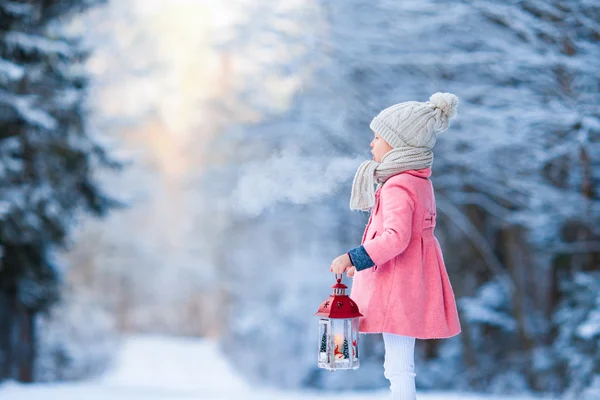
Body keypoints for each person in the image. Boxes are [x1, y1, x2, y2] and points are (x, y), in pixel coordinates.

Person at [330, 92, 462, 400]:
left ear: (399, 144)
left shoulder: (398, 185)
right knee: (399, 360)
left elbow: (395, 237)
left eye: (377, 137)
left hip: (399, 283)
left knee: (399, 363)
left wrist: (354, 256)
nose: (372, 144)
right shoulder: (419, 181)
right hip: (413, 278)